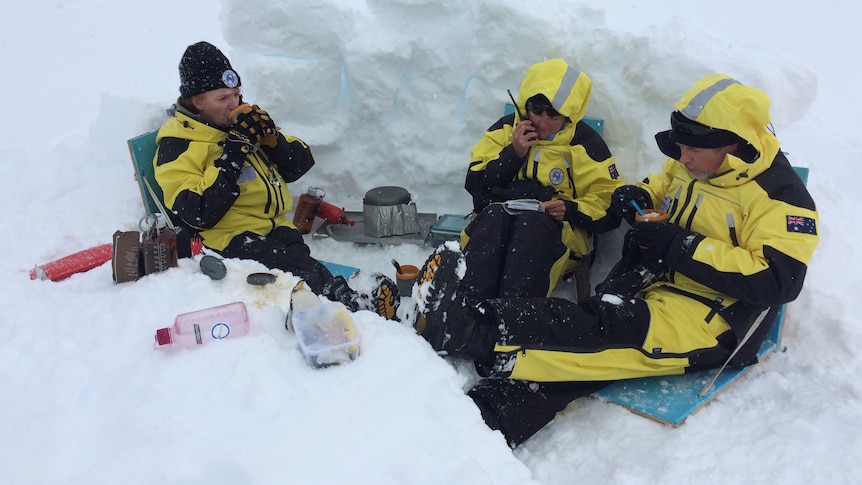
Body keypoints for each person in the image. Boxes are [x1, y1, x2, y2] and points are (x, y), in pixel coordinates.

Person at [412, 74, 819, 447]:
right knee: (586, 343)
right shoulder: (694, 165)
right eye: (680, 148)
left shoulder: (782, 198)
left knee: (601, 330)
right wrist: (639, 194)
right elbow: (661, 186)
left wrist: (679, 245)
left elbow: (779, 280)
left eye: (693, 149)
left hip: (710, 320)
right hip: (650, 281)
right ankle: (485, 416)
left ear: (734, 142)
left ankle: (473, 330)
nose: (684, 158)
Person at [153, 41, 398, 319]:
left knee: (300, 263)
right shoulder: (178, 145)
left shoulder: (237, 124)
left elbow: (298, 165)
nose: (234, 104)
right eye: (223, 99)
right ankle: (353, 305)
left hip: (274, 227)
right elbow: (199, 213)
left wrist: (272, 140)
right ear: (197, 101)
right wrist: (234, 153)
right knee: (294, 268)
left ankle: (339, 297)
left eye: (237, 94)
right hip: (227, 239)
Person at [462, 59, 624, 300]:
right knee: (494, 220)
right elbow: (476, 184)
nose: (542, 122)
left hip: (558, 233)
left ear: (568, 115)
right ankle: (468, 308)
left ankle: (513, 313)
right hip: (499, 222)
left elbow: (609, 203)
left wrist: (570, 209)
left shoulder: (584, 143)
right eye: (536, 112)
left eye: (554, 116)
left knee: (532, 228)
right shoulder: (506, 130)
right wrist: (513, 154)